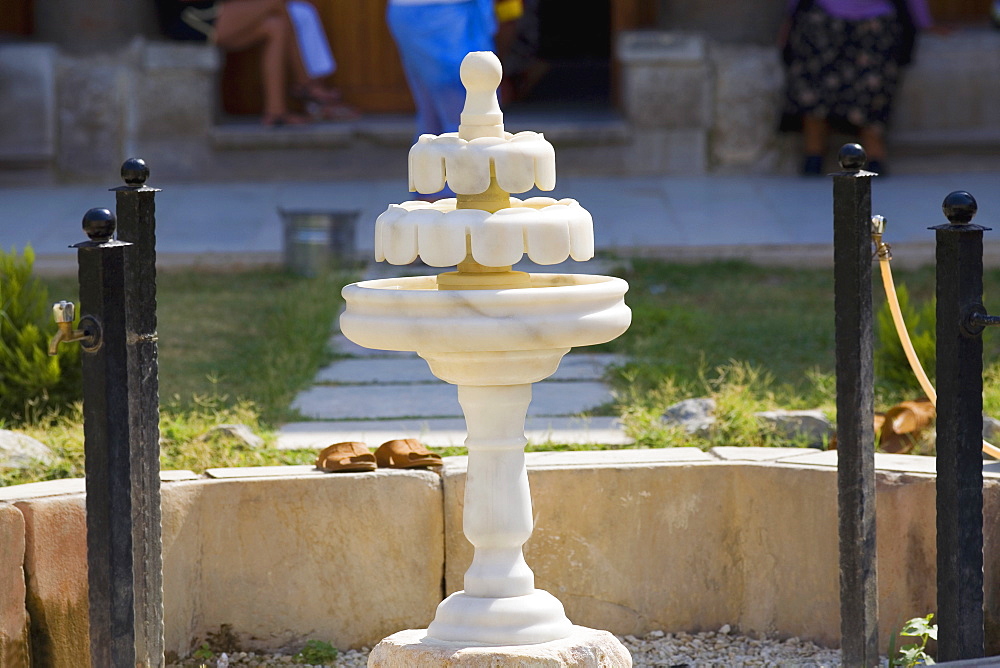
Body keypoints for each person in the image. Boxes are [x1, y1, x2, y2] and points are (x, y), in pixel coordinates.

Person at [780, 0, 933, 175]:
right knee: (813, 86)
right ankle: (813, 153)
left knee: (872, 90)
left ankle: (875, 155)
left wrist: (924, 22)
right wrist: (789, 20)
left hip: (876, 18)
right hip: (824, 16)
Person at [181, 0, 357, 126]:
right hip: (190, 17)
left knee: (276, 26)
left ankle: (276, 111)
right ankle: (306, 84)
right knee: (275, 3)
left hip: (210, 12)